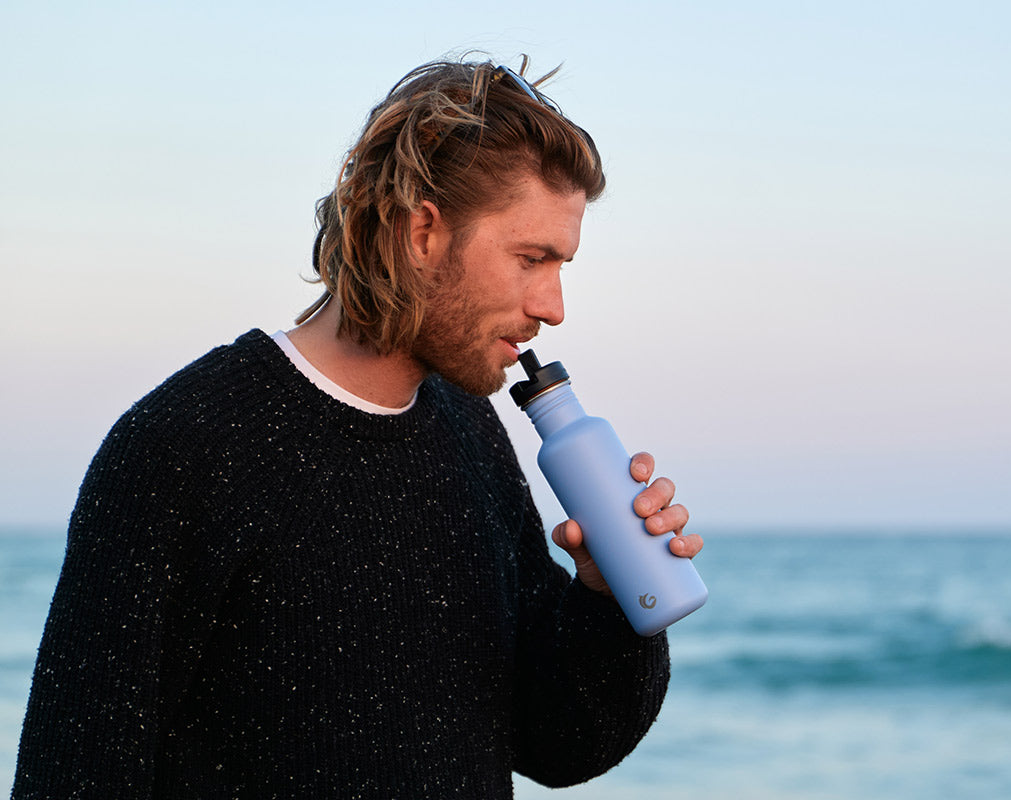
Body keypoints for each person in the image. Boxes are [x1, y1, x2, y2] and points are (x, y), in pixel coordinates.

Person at [12, 57, 703, 799]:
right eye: (532, 258)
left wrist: (603, 601)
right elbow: (73, 775)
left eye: (561, 264)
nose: (554, 305)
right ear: (423, 233)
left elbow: (554, 745)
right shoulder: (182, 448)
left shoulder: (471, 432)